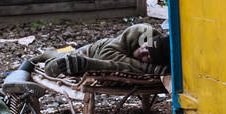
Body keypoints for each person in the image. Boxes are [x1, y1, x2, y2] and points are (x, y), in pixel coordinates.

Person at [40, 24, 170, 78]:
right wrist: (144, 67)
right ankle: (46, 54)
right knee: (60, 60)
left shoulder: (161, 59)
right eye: (146, 47)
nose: (142, 52)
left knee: (67, 56)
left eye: (147, 57)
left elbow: (117, 65)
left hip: (101, 54)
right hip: (96, 49)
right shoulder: (143, 31)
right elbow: (106, 55)